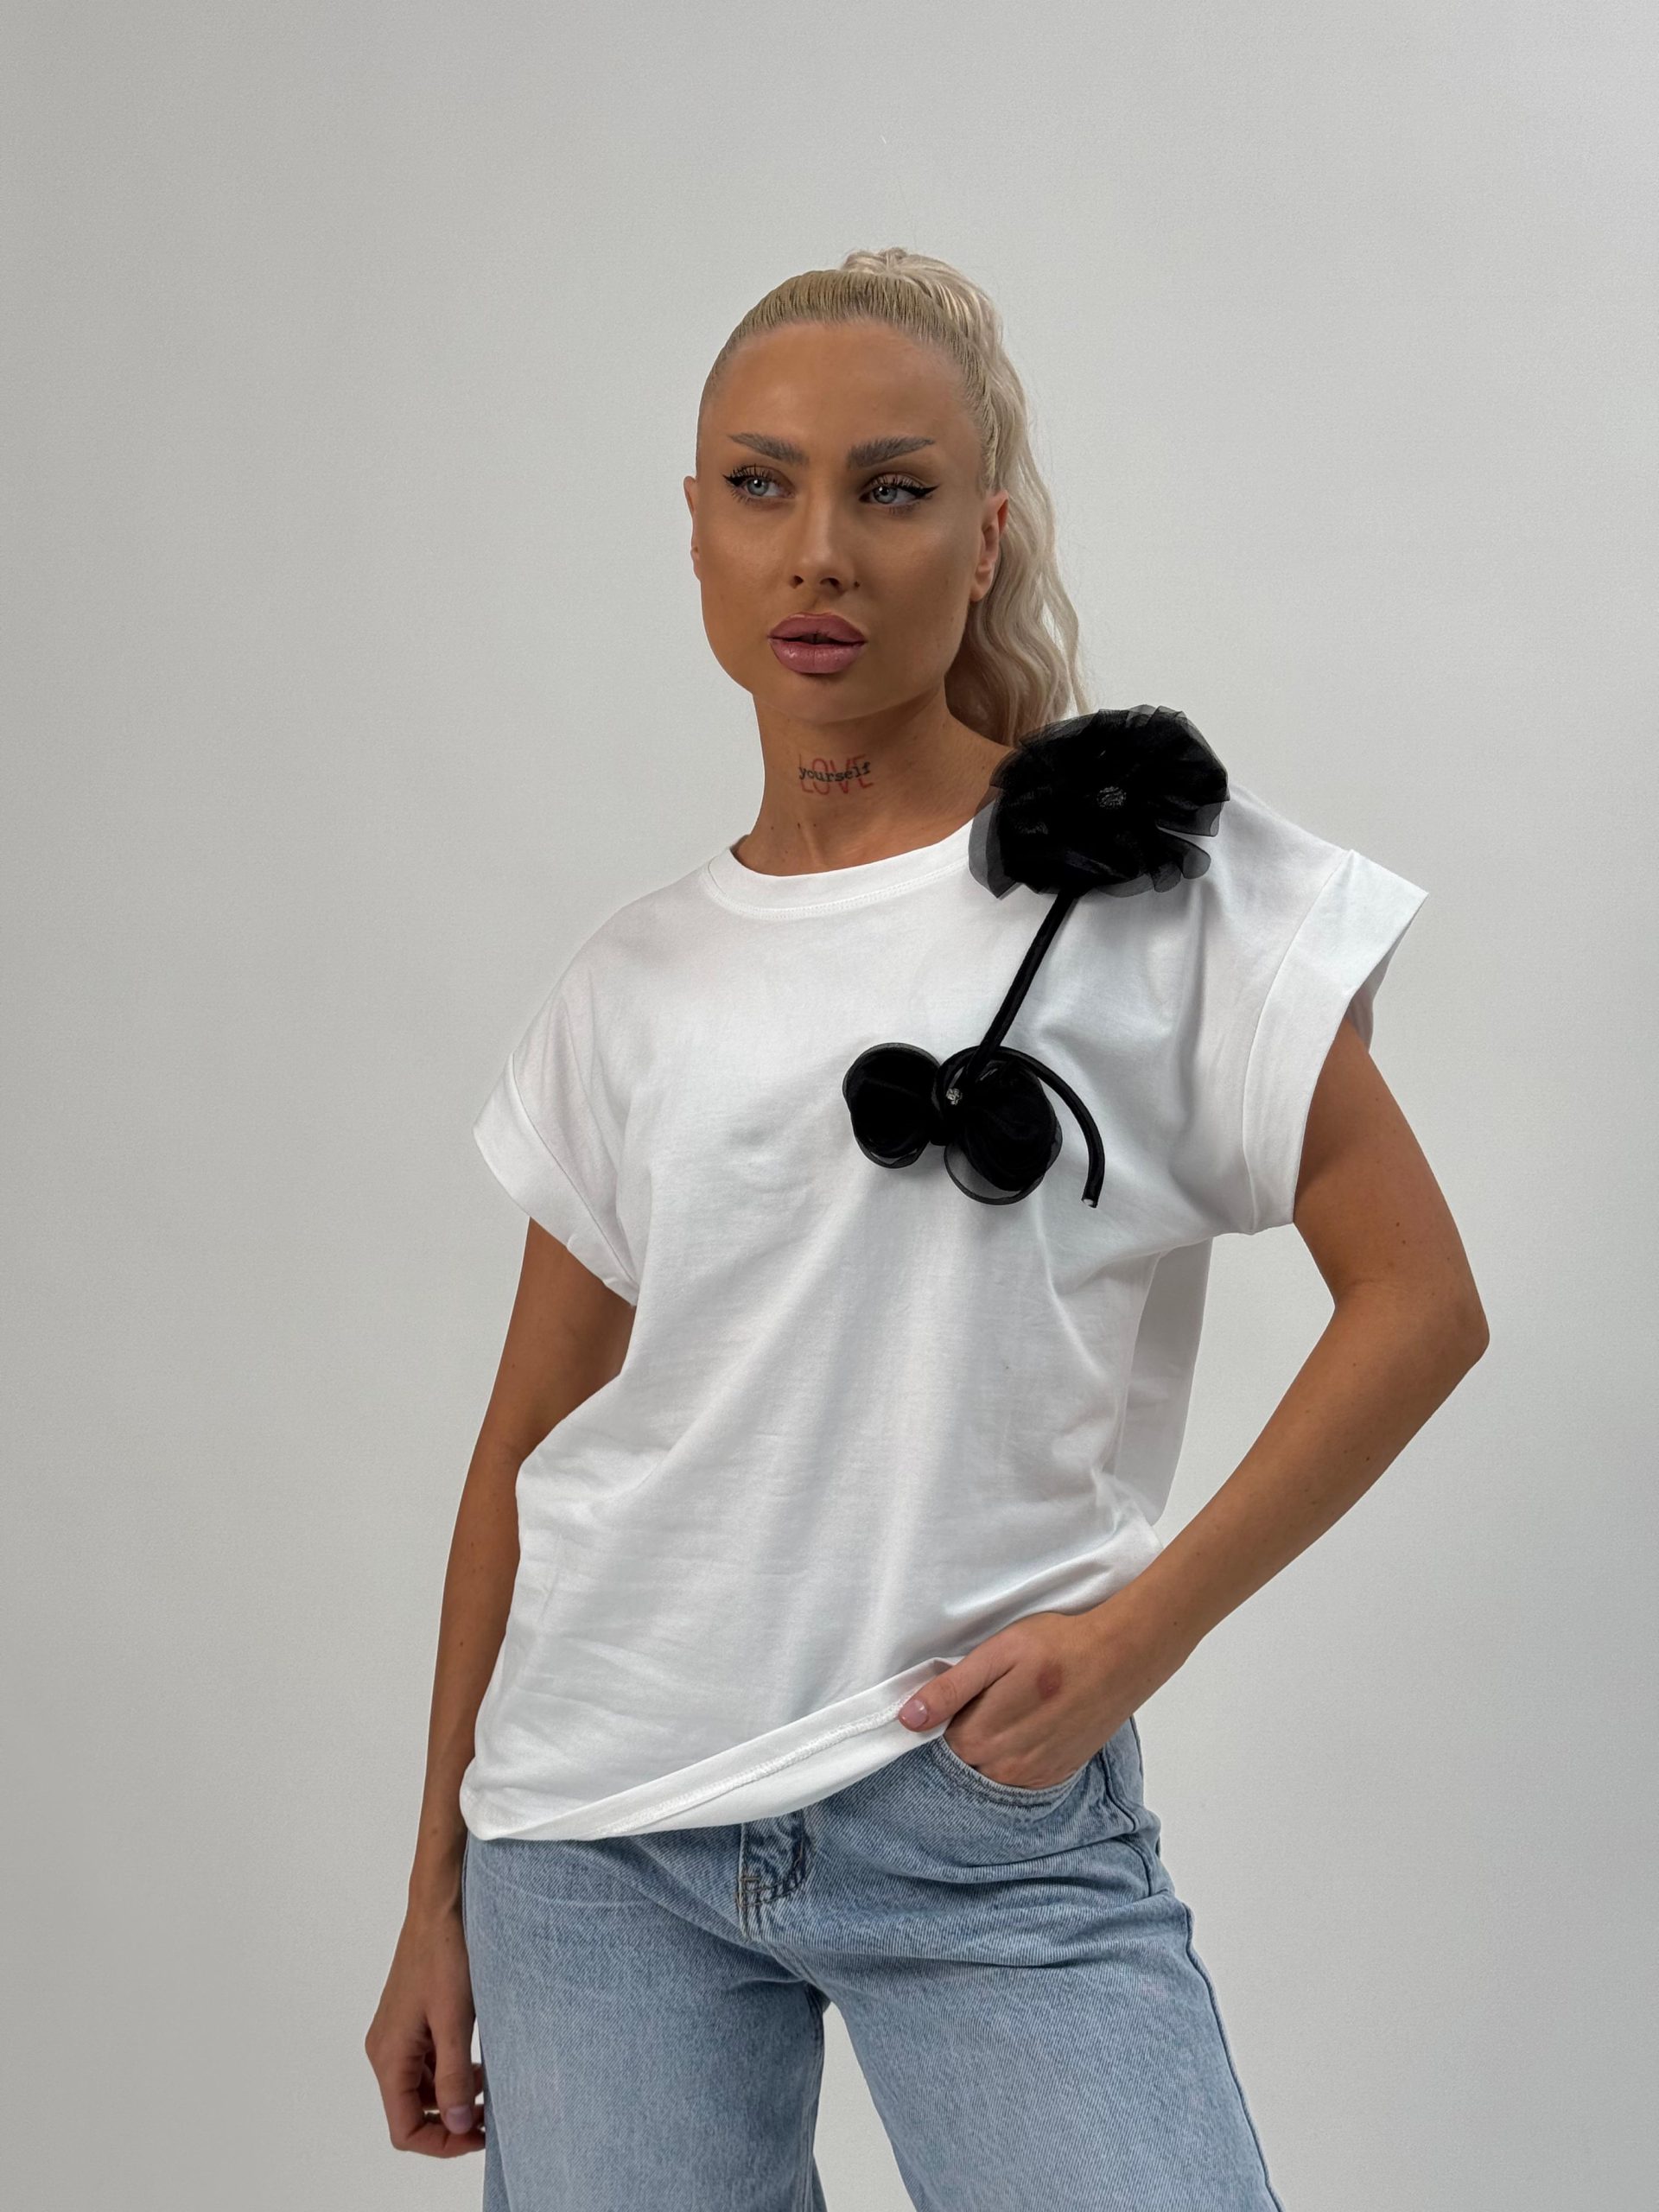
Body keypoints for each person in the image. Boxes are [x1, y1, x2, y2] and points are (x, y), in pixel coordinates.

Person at [365, 247, 1487, 2210]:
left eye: (890, 490)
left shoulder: (1150, 895)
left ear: (986, 538)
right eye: (760, 485)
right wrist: (431, 1886)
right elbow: (528, 1442)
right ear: (695, 529)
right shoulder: (630, 982)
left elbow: (1420, 1304)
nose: (819, 550)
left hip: (979, 1810)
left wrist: (1135, 1638)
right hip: (593, 1837)